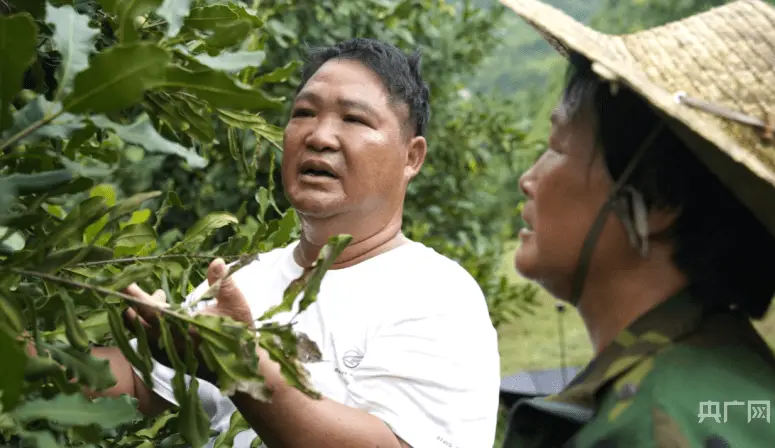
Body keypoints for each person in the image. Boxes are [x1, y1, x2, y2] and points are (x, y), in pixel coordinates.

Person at [88, 38, 501, 448]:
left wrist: (241, 367)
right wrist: (29, 350)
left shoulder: (437, 294)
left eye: (354, 119)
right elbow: (146, 386)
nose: (320, 136)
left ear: (412, 157)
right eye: (304, 113)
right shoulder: (241, 280)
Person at [497, 0, 775, 447]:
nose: (529, 179)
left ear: (660, 198)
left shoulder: (649, 425)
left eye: (558, 146)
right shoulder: (731, 384)